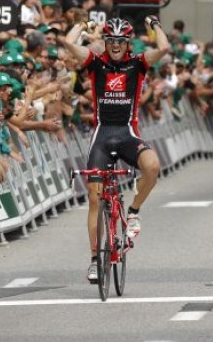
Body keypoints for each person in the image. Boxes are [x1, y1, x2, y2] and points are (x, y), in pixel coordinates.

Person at [63, 16, 169, 283]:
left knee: (153, 166)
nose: (116, 45)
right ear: (105, 42)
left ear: (128, 43)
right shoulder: (95, 63)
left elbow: (164, 48)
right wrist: (82, 25)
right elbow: (68, 43)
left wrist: (155, 25)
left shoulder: (138, 64)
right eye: (111, 40)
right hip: (102, 135)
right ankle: (93, 260)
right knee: (94, 197)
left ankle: (133, 212)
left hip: (127, 134)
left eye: (121, 41)